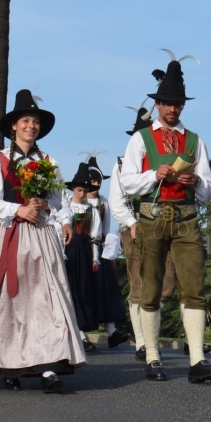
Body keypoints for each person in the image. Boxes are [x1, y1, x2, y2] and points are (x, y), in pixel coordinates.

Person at [0, 90, 86, 393]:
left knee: (46, 298)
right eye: (25, 121)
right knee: (12, 300)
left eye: (35, 122)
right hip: (10, 233)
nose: (31, 126)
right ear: (13, 127)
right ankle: (10, 364)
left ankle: (48, 365)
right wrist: (18, 208)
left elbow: (60, 201)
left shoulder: (49, 161)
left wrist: (61, 218)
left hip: (42, 236)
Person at [118, 58, 211, 384]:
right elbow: (126, 183)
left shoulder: (195, 141)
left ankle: (197, 360)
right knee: (151, 286)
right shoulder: (141, 139)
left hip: (187, 219)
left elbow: (209, 190)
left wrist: (196, 184)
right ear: (157, 104)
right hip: (152, 218)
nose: (172, 109)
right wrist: (153, 174)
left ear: (182, 106)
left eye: (177, 104)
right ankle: (152, 356)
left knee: (194, 288)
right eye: (167, 103)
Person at [108, 106, 153, 360]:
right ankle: (142, 342)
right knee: (138, 282)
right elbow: (116, 200)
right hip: (134, 227)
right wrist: (130, 222)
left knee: (162, 285)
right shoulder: (122, 164)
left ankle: (150, 335)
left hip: (160, 226)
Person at [84, 161, 128, 349]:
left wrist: (110, 255)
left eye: (98, 180)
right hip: (82, 248)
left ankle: (112, 332)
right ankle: (82, 335)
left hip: (100, 248)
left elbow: (108, 228)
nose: (96, 183)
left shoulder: (104, 202)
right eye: (92, 179)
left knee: (106, 290)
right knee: (83, 290)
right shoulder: (78, 202)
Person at [63, 165, 101, 351]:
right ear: (73, 189)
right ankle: (74, 332)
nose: (82, 193)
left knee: (83, 288)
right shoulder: (65, 207)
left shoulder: (91, 210)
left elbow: (95, 235)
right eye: (79, 190)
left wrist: (95, 258)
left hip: (85, 249)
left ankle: (80, 330)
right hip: (68, 249)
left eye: (85, 190)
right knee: (69, 288)